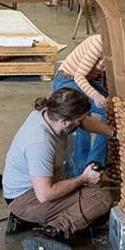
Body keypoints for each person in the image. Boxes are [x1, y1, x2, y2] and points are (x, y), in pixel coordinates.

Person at [2, 88, 114, 250]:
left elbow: (84, 122)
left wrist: (113, 133)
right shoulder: (40, 143)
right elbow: (45, 194)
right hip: (26, 197)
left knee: (97, 212)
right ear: (65, 122)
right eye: (79, 120)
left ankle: (29, 221)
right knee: (102, 198)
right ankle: (53, 232)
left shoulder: (49, 114)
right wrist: (83, 178)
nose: (83, 122)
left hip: (34, 188)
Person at [52, 33, 110, 174]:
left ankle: (95, 162)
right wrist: (95, 95)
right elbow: (79, 76)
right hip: (67, 79)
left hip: (88, 80)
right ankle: (80, 170)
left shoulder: (117, 47)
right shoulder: (99, 43)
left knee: (112, 111)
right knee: (80, 117)